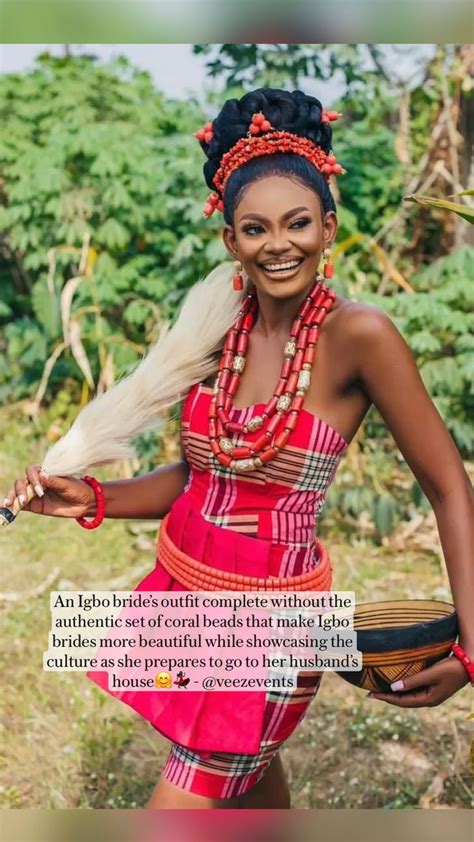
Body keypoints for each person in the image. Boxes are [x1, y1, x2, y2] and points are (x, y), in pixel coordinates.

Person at [4, 88, 473, 811]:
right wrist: (92, 497)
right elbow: (199, 480)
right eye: (255, 228)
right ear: (231, 239)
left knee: (190, 798)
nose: (278, 244)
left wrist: (473, 652)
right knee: (250, 796)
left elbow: (448, 487)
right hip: (187, 603)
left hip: (276, 628)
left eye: (298, 223)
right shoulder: (215, 330)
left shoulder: (361, 337)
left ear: (329, 226)